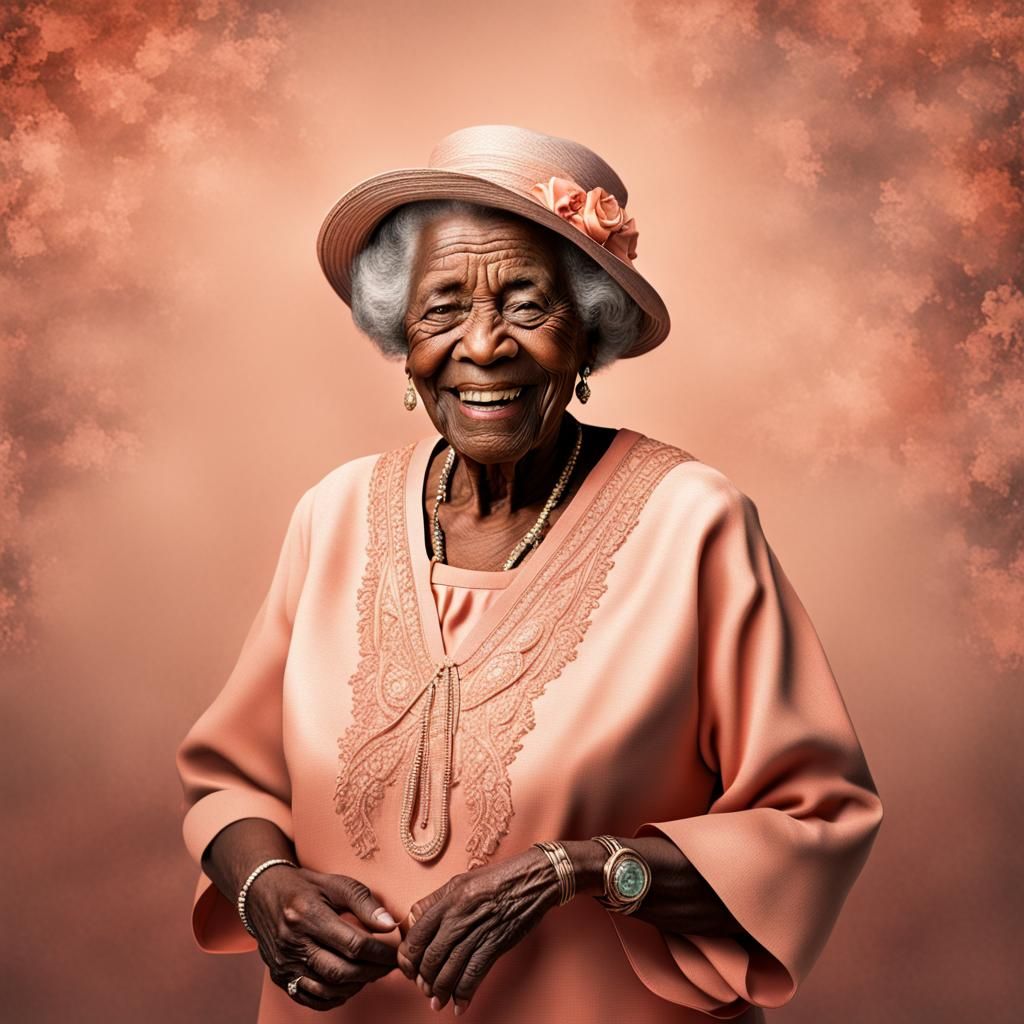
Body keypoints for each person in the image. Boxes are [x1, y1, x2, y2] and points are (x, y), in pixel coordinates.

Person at [175, 124, 883, 1023]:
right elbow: (229, 779)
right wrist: (264, 888)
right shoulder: (335, 512)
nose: (484, 346)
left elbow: (814, 823)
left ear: (588, 333)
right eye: (441, 308)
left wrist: (580, 869)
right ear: (401, 337)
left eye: (525, 303)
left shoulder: (693, 524)